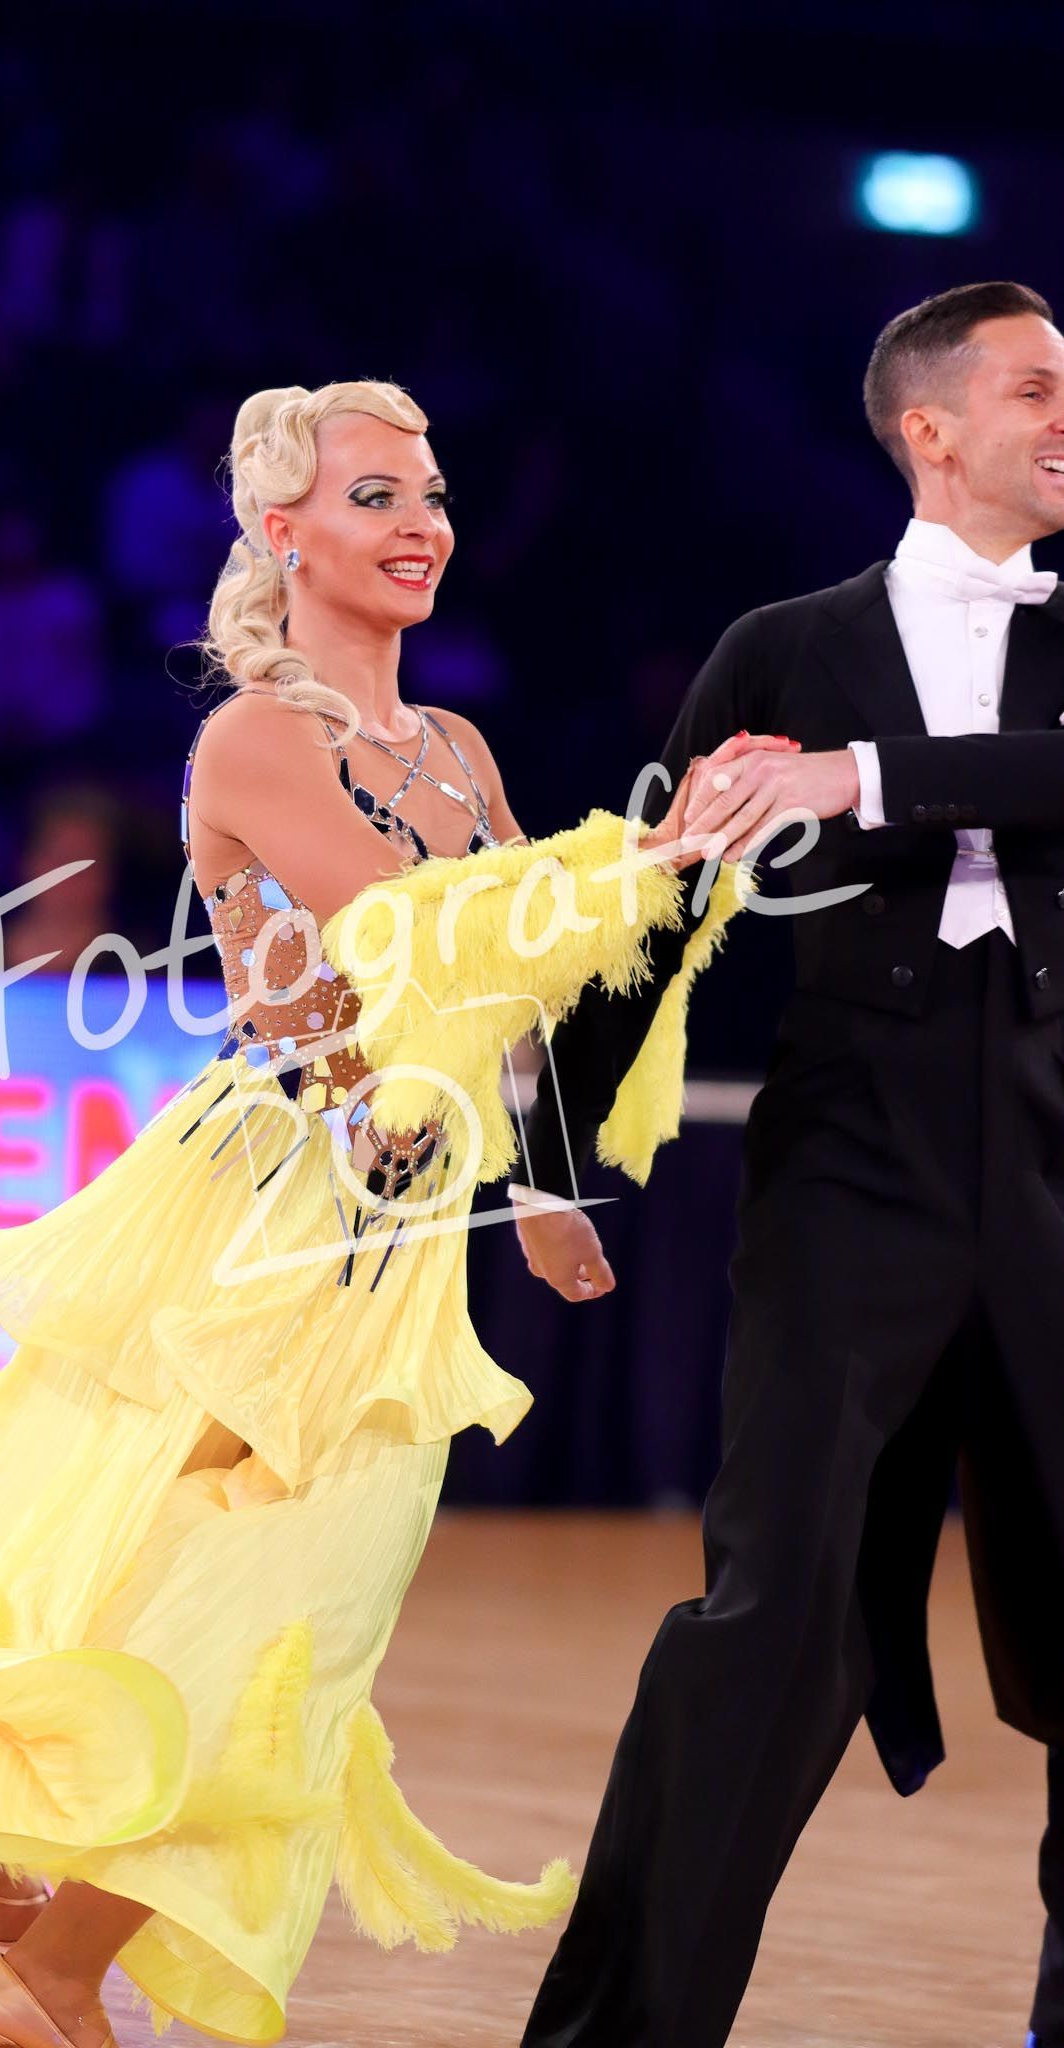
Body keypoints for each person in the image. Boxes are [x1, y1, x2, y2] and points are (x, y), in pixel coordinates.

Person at [0, 379, 746, 2048]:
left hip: (400, 1223)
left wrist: (540, 1183)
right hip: (270, 1199)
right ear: (280, 531)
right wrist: (653, 856)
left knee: (283, 1613)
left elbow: (515, 1003)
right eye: (374, 496)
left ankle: (27, 1887)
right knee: (242, 1600)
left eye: (430, 494)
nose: (420, 525)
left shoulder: (456, 748)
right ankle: (41, 1958)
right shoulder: (255, 734)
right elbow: (419, 935)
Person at [513, 280, 1064, 2048]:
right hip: (849, 1169)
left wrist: (859, 777)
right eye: (1036, 389)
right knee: (769, 1617)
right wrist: (546, 1161)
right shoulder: (778, 646)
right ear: (928, 427)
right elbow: (653, 910)